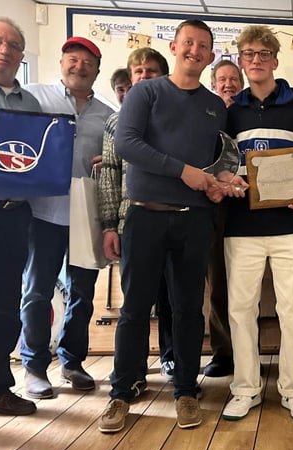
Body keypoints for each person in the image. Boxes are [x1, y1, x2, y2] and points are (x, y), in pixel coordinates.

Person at [99, 19, 232, 433]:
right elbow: (127, 144)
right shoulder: (145, 92)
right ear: (174, 47)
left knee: (189, 309)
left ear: (210, 56)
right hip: (145, 215)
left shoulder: (216, 106)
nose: (195, 50)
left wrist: (219, 184)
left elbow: (217, 164)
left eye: (203, 46)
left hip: (194, 221)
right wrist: (186, 173)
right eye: (188, 42)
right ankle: (122, 393)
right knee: (135, 309)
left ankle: (187, 392)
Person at [221, 25, 293, 422]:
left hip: (291, 225)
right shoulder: (230, 110)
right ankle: (245, 388)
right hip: (241, 226)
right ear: (241, 61)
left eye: (264, 54)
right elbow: (225, 164)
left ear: (276, 60)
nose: (256, 61)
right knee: (240, 309)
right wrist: (230, 180)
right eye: (248, 54)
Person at [21, 36, 112, 400]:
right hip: (41, 212)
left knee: (82, 294)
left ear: (97, 70)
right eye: (72, 59)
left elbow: (112, 165)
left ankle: (73, 362)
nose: (79, 66)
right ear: (61, 63)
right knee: (37, 292)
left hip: (84, 215)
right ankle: (34, 367)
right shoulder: (34, 97)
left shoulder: (107, 115)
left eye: (87, 62)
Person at [98, 47, 174, 390]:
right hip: (133, 223)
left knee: (174, 299)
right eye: (139, 71)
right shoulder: (117, 121)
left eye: (152, 71)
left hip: (177, 222)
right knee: (136, 304)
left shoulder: (179, 117)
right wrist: (109, 225)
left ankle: (171, 358)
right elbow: (110, 175)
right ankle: (132, 373)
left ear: (164, 76)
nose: (144, 76)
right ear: (130, 78)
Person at [0, 17, 42, 416]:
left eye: (12, 45)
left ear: (22, 56)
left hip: (14, 215)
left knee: (6, 303)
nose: (4, 50)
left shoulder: (31, 105)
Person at [204, 59, 244, 377]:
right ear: (214, 84)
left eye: (233, 79)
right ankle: (223, 352)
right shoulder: (204, 114)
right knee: (218, 283)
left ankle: (248, 349)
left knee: (247, 284)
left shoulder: (247, 115)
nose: (228, 84)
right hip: (214, 207)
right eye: (222, 79)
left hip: (248, 207)